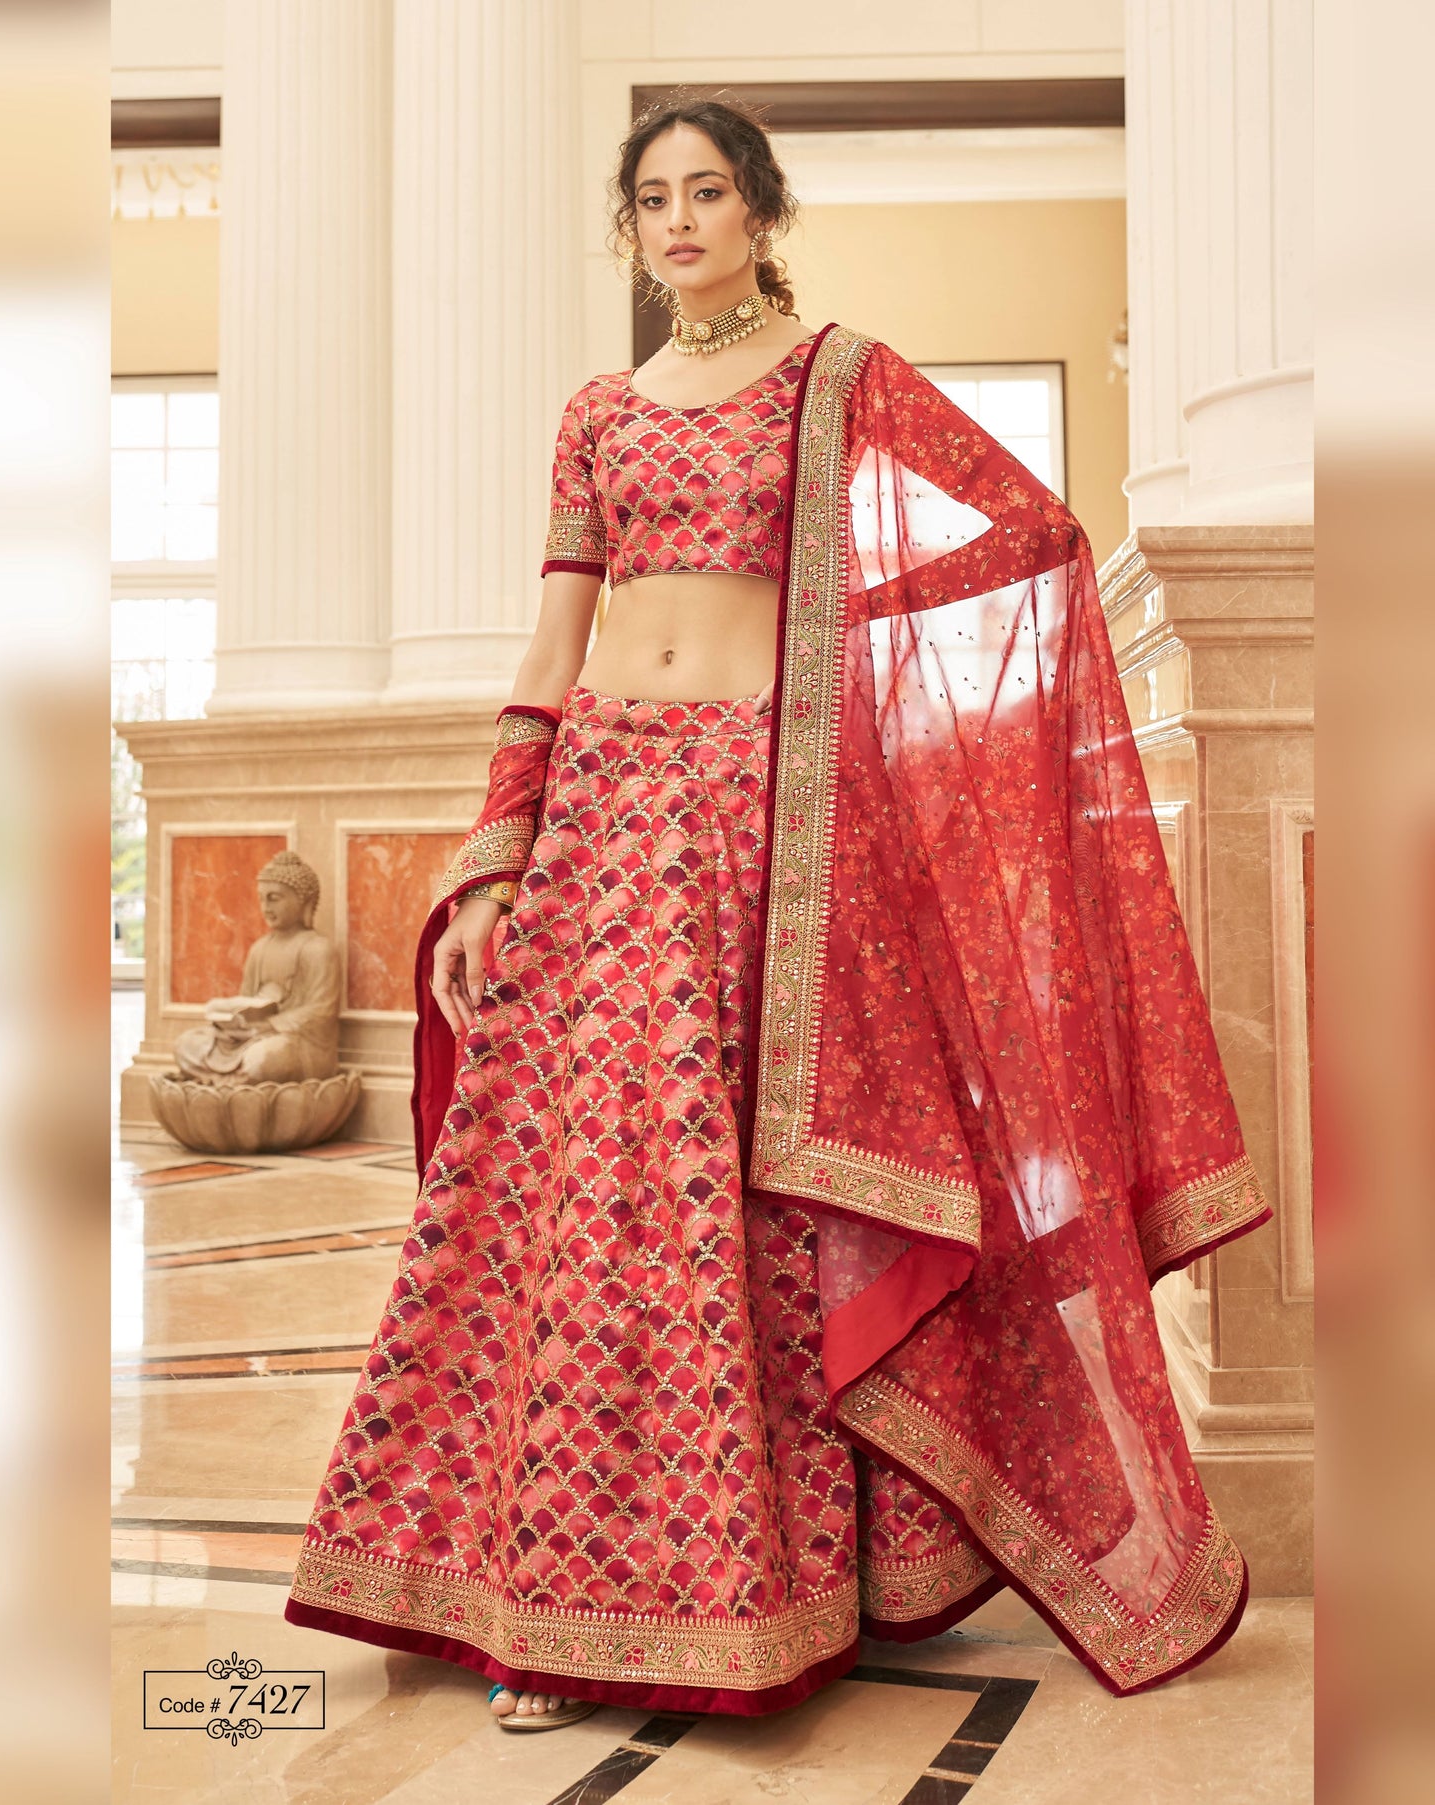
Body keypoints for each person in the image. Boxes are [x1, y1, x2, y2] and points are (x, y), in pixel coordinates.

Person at [285, 95, 1272, 1731]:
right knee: (592, 1223)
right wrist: (494, 855)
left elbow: (1029, 535)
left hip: (762, 828)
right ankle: (559, 1606)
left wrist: (863, 704)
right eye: (654, 198)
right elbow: (550, 656)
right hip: (605, 819)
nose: (680, 222)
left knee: (747, 1218)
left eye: (709, 194)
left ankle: (800, 1584)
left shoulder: (842, 379)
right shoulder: (598, 413)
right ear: (633, 229)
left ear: (761, 213)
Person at [174, 849, 339, 1085]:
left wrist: (270, 1025)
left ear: (303, 901)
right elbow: (248, 1000)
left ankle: (227, 1081)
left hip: (296, 1042)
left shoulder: (317, 949)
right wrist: (235, 1021)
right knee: (186, 1044)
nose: (265, 907)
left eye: (274, 898)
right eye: (261, 898)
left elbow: (321, 1011)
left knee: (262, 1060)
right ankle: (232, 1082)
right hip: (252, 1036)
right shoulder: (259, 948)